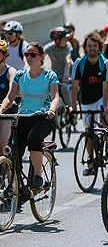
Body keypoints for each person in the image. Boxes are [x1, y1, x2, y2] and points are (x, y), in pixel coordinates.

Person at [0, 42, 59, 191]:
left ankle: (38, 176)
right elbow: (10, 97)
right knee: (14, 149)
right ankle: (15, 184)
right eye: (27, 54)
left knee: (33, 139)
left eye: (33, 54)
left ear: (41, 57)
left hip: (42, 116)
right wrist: (1, 109)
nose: (29, 57)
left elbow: (55, 97)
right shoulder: (20, 75)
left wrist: (51, 110)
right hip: (23, 116)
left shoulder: (49, 75)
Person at [70, 31, 108, 171]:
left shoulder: (105, 63)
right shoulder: (79, 63)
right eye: (89, 46)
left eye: (95, 46)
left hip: (103, 96)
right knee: (88, 130)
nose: (92, 48)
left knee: (105, 118)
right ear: (85, 47)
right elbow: (74, 86)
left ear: (99, 47)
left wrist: (106, 106)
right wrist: (73, 107)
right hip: (87, 98)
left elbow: (107, 85)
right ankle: (90, 160)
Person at [45, 27, 73, 107]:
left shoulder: (67, 46)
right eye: (64, 39)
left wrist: (66, 76)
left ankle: (70, 109)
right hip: (55, 74)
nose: (66, 41)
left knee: (65, 89)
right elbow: (41, 55)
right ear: (57, 40)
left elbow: (68, 60)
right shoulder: (50, 47)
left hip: (67, 73)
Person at [0, 40, 17, 154]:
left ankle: (6, 171)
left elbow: (12, 93)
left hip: (7, 112)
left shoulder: (10, 71)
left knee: (2, 145)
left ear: (4, 55)